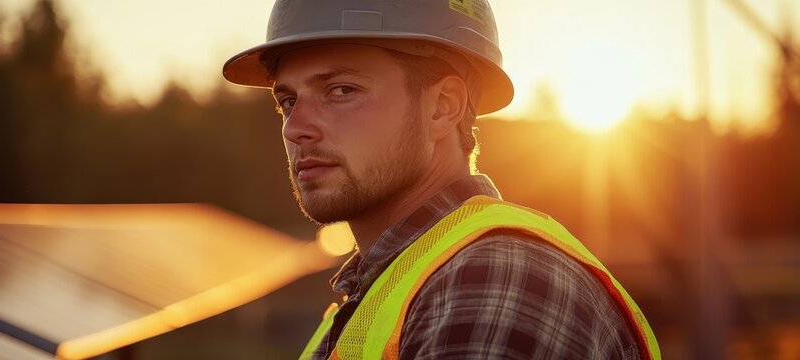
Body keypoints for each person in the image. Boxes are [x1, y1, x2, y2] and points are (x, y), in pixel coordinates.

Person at [223, 1, 660, 359]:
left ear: (442, 107)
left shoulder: (498, 275)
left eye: (341, 90)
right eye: (287, 100)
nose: (295, 127)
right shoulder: (374, 302)